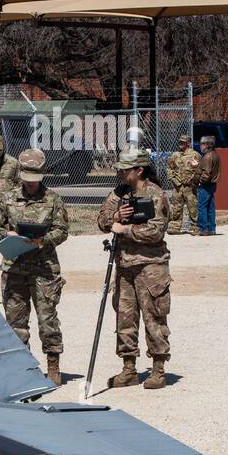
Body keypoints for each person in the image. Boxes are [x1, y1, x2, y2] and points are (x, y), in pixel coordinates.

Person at [0, 149, 69, 384]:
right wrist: (8, 234)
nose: (31, 185)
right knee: (15, 322)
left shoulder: (53, 199)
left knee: (48, 320)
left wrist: (43, 241)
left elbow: (62, 230)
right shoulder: (7, 198)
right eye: (27, 179)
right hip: (15, 267)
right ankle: (23, 368)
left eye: (35, 180)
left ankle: (53, 366)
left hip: (44, 268)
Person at [97, 146, 172, 390]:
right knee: (124, 318)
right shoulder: (118, 194)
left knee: (153, 317)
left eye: (124, 170)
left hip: (151, 267)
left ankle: (158, 370)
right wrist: (115, 217)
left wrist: (125, 229)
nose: (119, 174)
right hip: (125, 265)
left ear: (139, 170)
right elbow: (102, 220)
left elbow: (156, 230)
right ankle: (128, 368)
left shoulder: (156, 194)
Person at [166, 134, 201, 235]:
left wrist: (194, 181)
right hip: (178, 186)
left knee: (193, 207)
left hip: (189, 187)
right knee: (176, 207)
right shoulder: (175, 155)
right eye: (180, 142)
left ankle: (195, 227)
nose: (180, 144)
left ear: (188, 143)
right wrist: (173, 179)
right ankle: (175, 227)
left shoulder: (195, 155)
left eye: (183, 142)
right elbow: (169, 168)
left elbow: (199, 170)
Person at [196, 135, 221, 235]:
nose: (200, 146)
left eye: (202, 144)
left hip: (205, 185)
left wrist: (200, 182)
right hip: (212, 184)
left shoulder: (207, 157)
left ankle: (203, 229)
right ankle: (211, 229)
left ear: (207, 145)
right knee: (210, 207)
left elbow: (206, 173)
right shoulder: (215, 154)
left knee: (202, 206)